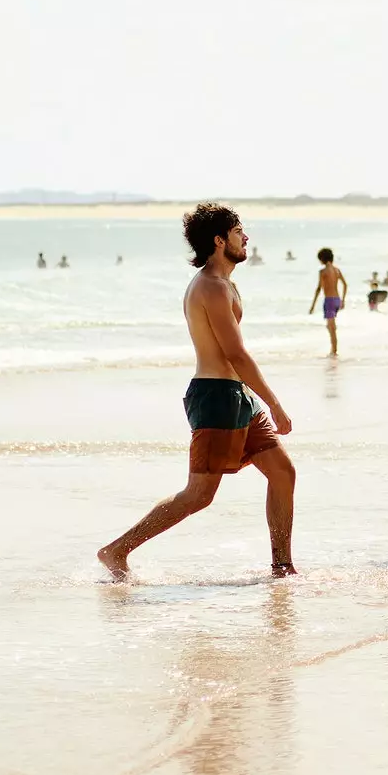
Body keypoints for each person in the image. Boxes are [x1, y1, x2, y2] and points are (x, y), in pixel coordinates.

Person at [98, 202, 295, 579]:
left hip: (237, 397)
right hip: (216, 397)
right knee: (199, 495)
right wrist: (275, 404)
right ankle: (117, 550)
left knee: (283, 473)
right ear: (220, 240)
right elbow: (235, 353)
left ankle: (282, 565)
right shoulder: (210, 287)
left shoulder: (225, 284)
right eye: (239, 231)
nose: (246, 236)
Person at [309, 247, 347, 354]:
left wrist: (312, 306)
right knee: (330, 325)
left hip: (329, 300)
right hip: (337, 299)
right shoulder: (337, 270)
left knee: (331, 327)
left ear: (322, 259)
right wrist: (343, 300)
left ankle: (334, 350)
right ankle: (334, 348)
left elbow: (318, 289)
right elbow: (345, 285)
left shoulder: (323, 272)